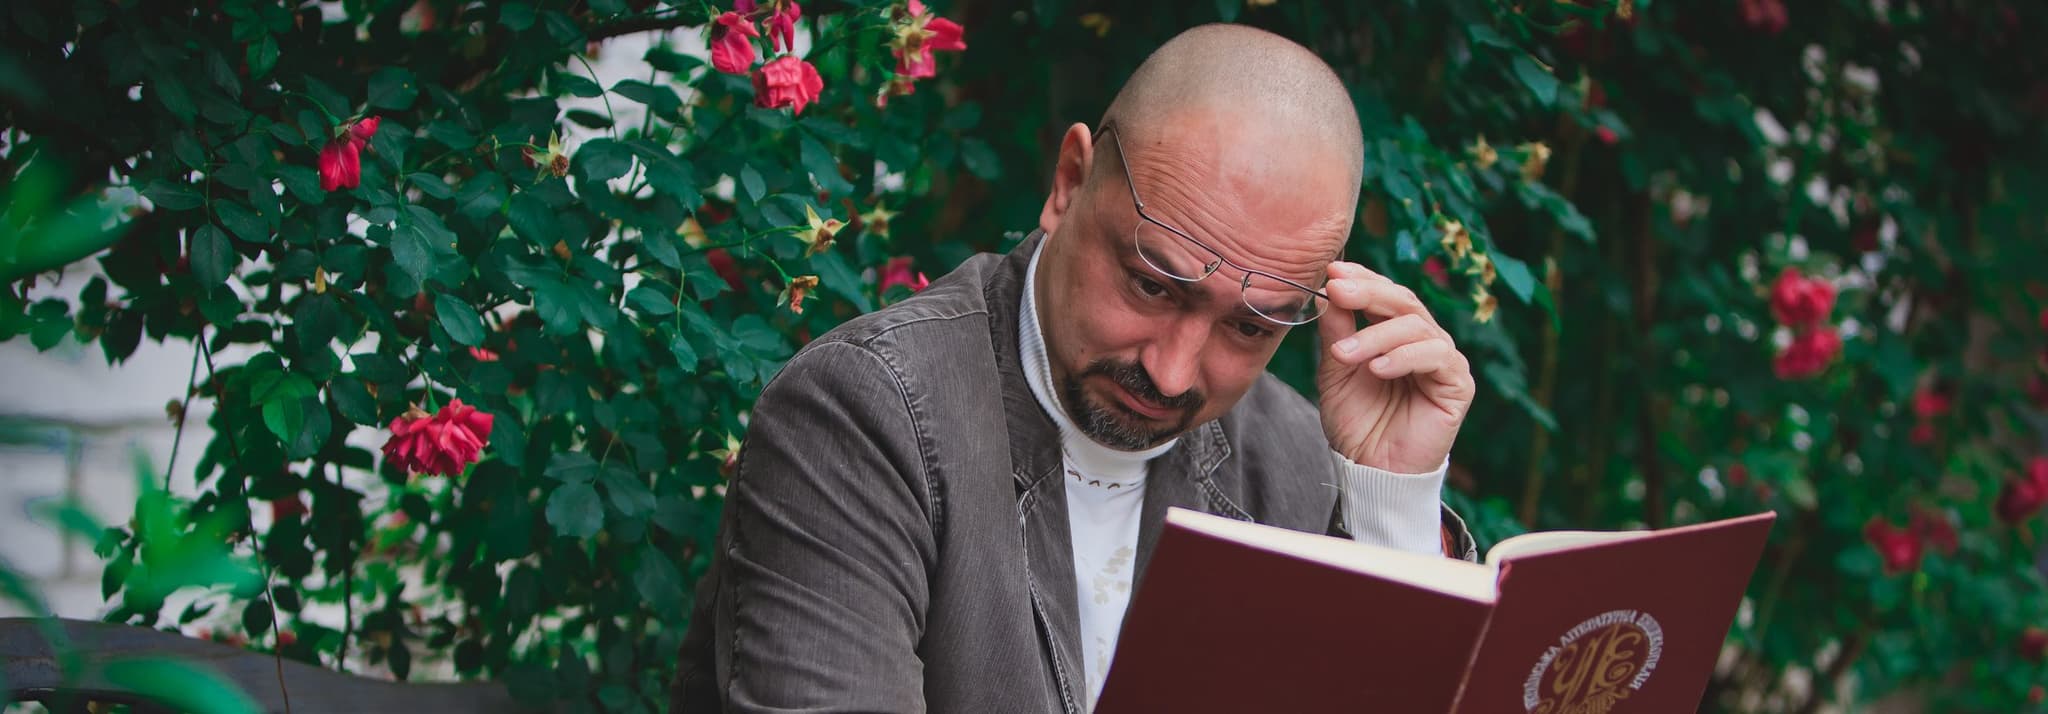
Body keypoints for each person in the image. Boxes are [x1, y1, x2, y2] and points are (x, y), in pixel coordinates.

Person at [672, 23, 1479, 714]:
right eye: (1151, 284)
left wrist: (1390, 507)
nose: (1171, 372)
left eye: (1248, 325)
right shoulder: (863, 416)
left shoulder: (1297, 462)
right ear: (1067, 184)